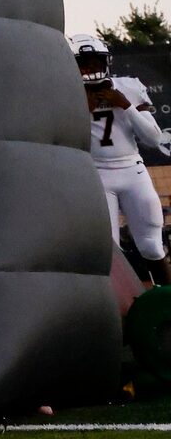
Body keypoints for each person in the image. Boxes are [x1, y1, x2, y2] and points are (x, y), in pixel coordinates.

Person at [75, 34, 167, 283]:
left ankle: (166, 301)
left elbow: (154, 139)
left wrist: (125, 105)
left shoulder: (127, 87)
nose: (92, 68)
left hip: (132, 170)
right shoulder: (66, 96)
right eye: (85, 63)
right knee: (111, 251)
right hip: (97, 174)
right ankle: (120, 311)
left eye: (96, 62)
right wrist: (80, 111)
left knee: (152, 246)